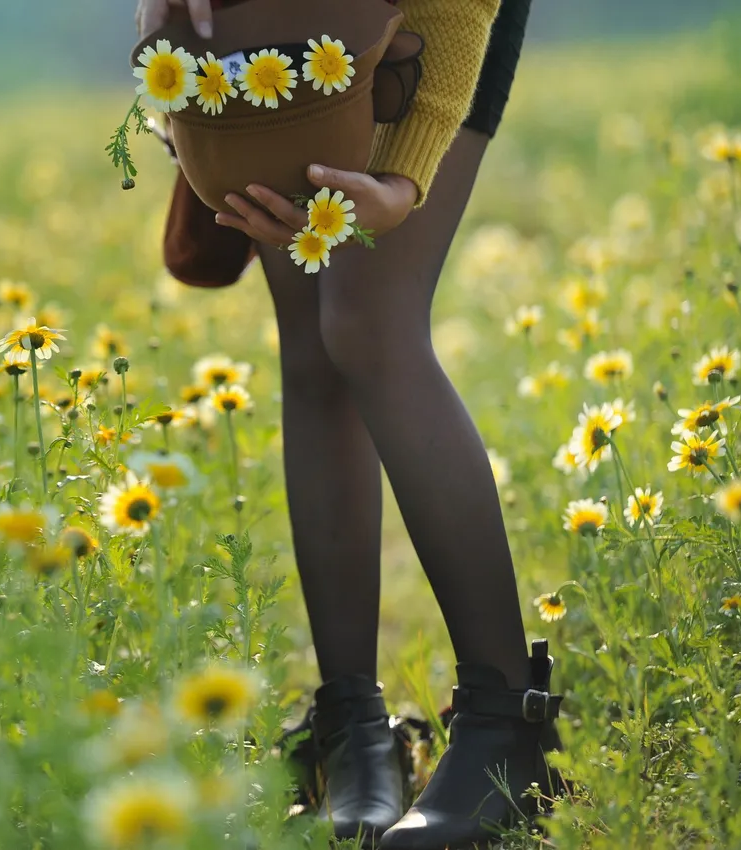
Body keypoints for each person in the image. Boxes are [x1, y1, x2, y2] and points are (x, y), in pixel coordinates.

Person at [135, 0, 562, 848]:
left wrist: (403, 178)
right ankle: (353, 730)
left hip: (431, 19)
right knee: (314, 345)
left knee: (367, 317)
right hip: (287, 24)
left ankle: (508, 727)